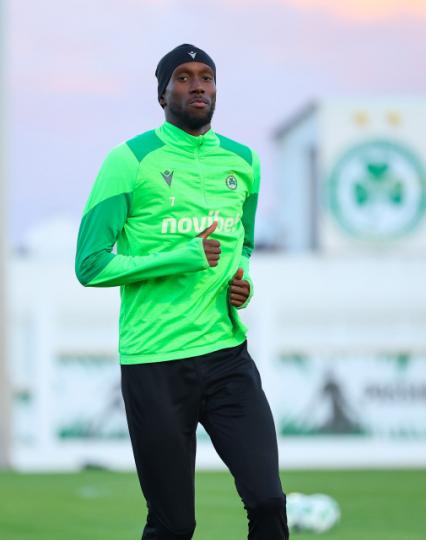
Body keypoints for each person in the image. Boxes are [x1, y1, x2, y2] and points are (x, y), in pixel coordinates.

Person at [75, 43, 289, 540]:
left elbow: (242, 245)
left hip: (227, 357)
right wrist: (184, 256)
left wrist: (242, 284)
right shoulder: (129, 160)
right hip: (155, 362)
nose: (198, 86)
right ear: (162, 92)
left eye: (206, 77)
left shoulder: (245, 162)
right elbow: (90, 264)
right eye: (184, 77)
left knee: (268, 500)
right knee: (173, 525)